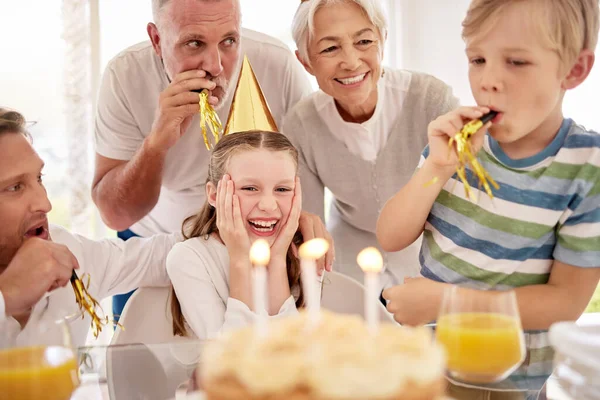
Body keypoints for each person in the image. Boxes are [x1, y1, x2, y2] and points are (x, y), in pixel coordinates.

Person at [376, 0, 600, 395]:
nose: (488, 80)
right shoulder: (456, 143)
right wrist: (436, 168)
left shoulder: (586, 167)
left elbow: (565, 302)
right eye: (477, 59)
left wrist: (446, 302)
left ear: (574, 70)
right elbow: (390, 236)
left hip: (509, 379)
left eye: (516, 62)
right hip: (429, 364)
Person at [91, 0, 332, 320]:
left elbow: (302, 179)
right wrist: (155, 145)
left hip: (257, 254)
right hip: (153, 254)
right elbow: (115, 215)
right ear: (157, 40)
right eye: (194, 43)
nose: (215, 65)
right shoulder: (124, 76)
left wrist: (303, 222)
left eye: (229, 41)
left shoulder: (277, 65)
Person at [282, 0, 459, 286]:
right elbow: (310, 221)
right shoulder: (299, 125)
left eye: (364, 41)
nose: (351, 62)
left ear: (383, 41)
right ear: (305, 62)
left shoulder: (431, 99)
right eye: (330, 48)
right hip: (346, 260)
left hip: (432, 254)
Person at [0, 108, 181, 346]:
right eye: (15, 187)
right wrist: (7, 295)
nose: (45, 204)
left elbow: (161, 257)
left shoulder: (67, 250)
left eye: (39, 178)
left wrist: (232, 220)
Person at [167, 131, 304, 339]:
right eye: (250, 188)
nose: (268, 205)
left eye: (282, 189)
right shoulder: (189, 258)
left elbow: (291, 354)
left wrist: (277, 260)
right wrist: (240, 259)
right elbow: (234, 354)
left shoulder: (303, 252)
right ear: (214, 194)